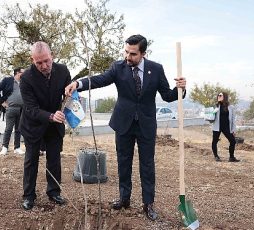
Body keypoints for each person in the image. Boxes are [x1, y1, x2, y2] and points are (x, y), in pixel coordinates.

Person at [65, 34, 186, 221]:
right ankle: (124, 198)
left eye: (133, 54)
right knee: (123, 162)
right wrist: (78, 83)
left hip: (145, 124)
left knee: (147, 165)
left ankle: (148, 204)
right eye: (126, 52)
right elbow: (100, 79)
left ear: (143, 53)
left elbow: (168, 95)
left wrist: (181, 89)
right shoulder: (118, 67)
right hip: (123, 123)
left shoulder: (156, 69)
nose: (128, 57)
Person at [19, 41, 71, 210]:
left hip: (55, 125)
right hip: (33, 124)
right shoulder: (26, 78)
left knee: (54, 159)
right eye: (38, 62)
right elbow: (31, 108)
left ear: (52, 56)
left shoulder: (63, 71)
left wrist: (70, 105)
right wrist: (50, 115)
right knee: (31, 160)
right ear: (32, 60)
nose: (44, 65)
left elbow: (68, 96)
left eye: (46, 61)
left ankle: (54, 192)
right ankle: (28, 195)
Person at [0, 67, 25, 155]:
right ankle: (5, 147)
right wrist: (2, 102)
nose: (25, 74)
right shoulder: (7, 80)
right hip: (10, 108)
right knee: (8, 128)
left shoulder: (24, 82)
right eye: (23, 72)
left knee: (19, 129)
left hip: (21, 109)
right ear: (17, 73)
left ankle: (17, 148)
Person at [211, 92, 239, 162]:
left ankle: (231, 157)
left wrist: (233, 130)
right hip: (217, 127)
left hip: (227, 127)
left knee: (233, 141)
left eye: (220, 95)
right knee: (214, 141)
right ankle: (216, 156)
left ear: (225, 97)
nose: (218, 96)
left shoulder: (231, 107)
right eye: (218, 95)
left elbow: (233, 119)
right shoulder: (216, 106)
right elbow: (211, 118)